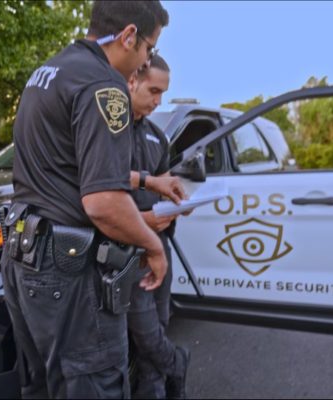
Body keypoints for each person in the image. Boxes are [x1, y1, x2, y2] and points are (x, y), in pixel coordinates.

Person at [0, 2, 183, 398]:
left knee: (44, 386)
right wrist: (154, 247)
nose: (145, 60)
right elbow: (103, 202)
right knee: (93, 384)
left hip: (22, 257)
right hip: (67, 272)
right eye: (149, 50)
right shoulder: (104, 85)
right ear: (129, 36)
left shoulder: (48, 72)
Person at [127, 55, 190, 399]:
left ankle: (153, 392)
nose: (158, 101)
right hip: (127, 250)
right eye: (153, 90)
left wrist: (180, 205)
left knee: (160, 323)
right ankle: (177, 363)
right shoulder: (107, 132)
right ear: (132, 80)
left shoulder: (157, 138)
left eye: (163, 93)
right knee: (145, 333)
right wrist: (145, 221)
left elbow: (164, 186)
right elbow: (100, 194)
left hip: (159, 245)